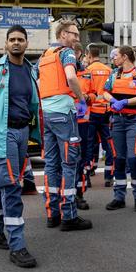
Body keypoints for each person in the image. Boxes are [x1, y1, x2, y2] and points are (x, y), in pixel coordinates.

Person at [0, 25, 43, 268]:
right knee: (12, 187)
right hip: (3, 134)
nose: (16, 43)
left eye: (20, 39)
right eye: (11, 39)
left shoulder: (30, 70)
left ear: (26, 43)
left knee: (4, 183)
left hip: (22, 133)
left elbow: (32, 103)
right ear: (5, 44)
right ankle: (17, 245)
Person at [36, 19, 92, 231]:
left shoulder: (44, 56)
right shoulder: (66, 53)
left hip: (47, 114)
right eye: (74, 34)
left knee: (51, 164)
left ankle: (52, 214)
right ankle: (69, 216)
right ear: (62, 35)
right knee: (69, 163)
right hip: (64, 114)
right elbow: (70, 77)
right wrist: (81, 98)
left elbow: (38, 83)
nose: (76, 38)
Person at [102, 46, 136, 212]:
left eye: (117, 56)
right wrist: (113, 99)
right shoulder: (114, 74)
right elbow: (105, 92)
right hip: (117, 121)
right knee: (118, 159)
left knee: (134, 158)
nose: (114, 58)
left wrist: (126, 102)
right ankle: (119, 197)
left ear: (125, 57)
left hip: (134, 121)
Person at [83, 45, 115, 187]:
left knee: (88, 144)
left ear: (89, 55)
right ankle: (109, 176)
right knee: (108, 144)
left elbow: (84, 94)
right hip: (106, 112)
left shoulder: (87, 71)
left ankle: (88, 175)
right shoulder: (109, 71)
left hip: (91, 113)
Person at [73, 43, 91, 210]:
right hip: (66, 120)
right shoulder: (63, 71)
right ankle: (67, 194)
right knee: (67, 159)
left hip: (83, 121)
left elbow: (95, 93)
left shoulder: (87, 74)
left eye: (77, 52)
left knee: (82, 159)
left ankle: (79, 193)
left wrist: (88, 97)